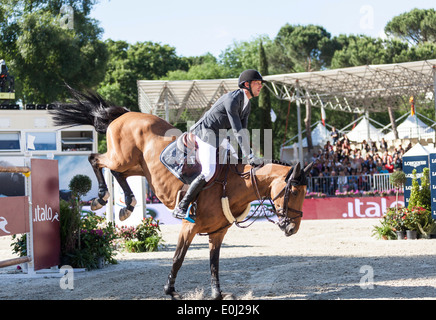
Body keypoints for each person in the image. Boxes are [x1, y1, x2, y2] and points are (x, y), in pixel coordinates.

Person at [172, 69, 265, 222]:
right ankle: (182, 206)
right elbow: (236, 130)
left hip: (220, 135)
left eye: (261, 84)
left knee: (236, 162)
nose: (260, 87)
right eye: (257, 83)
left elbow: (243, 131)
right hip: (205, 133)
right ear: (247, 84)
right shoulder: (232, 99)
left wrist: (246, 157)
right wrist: (250, 156)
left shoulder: (246, 105)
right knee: (208, 171)